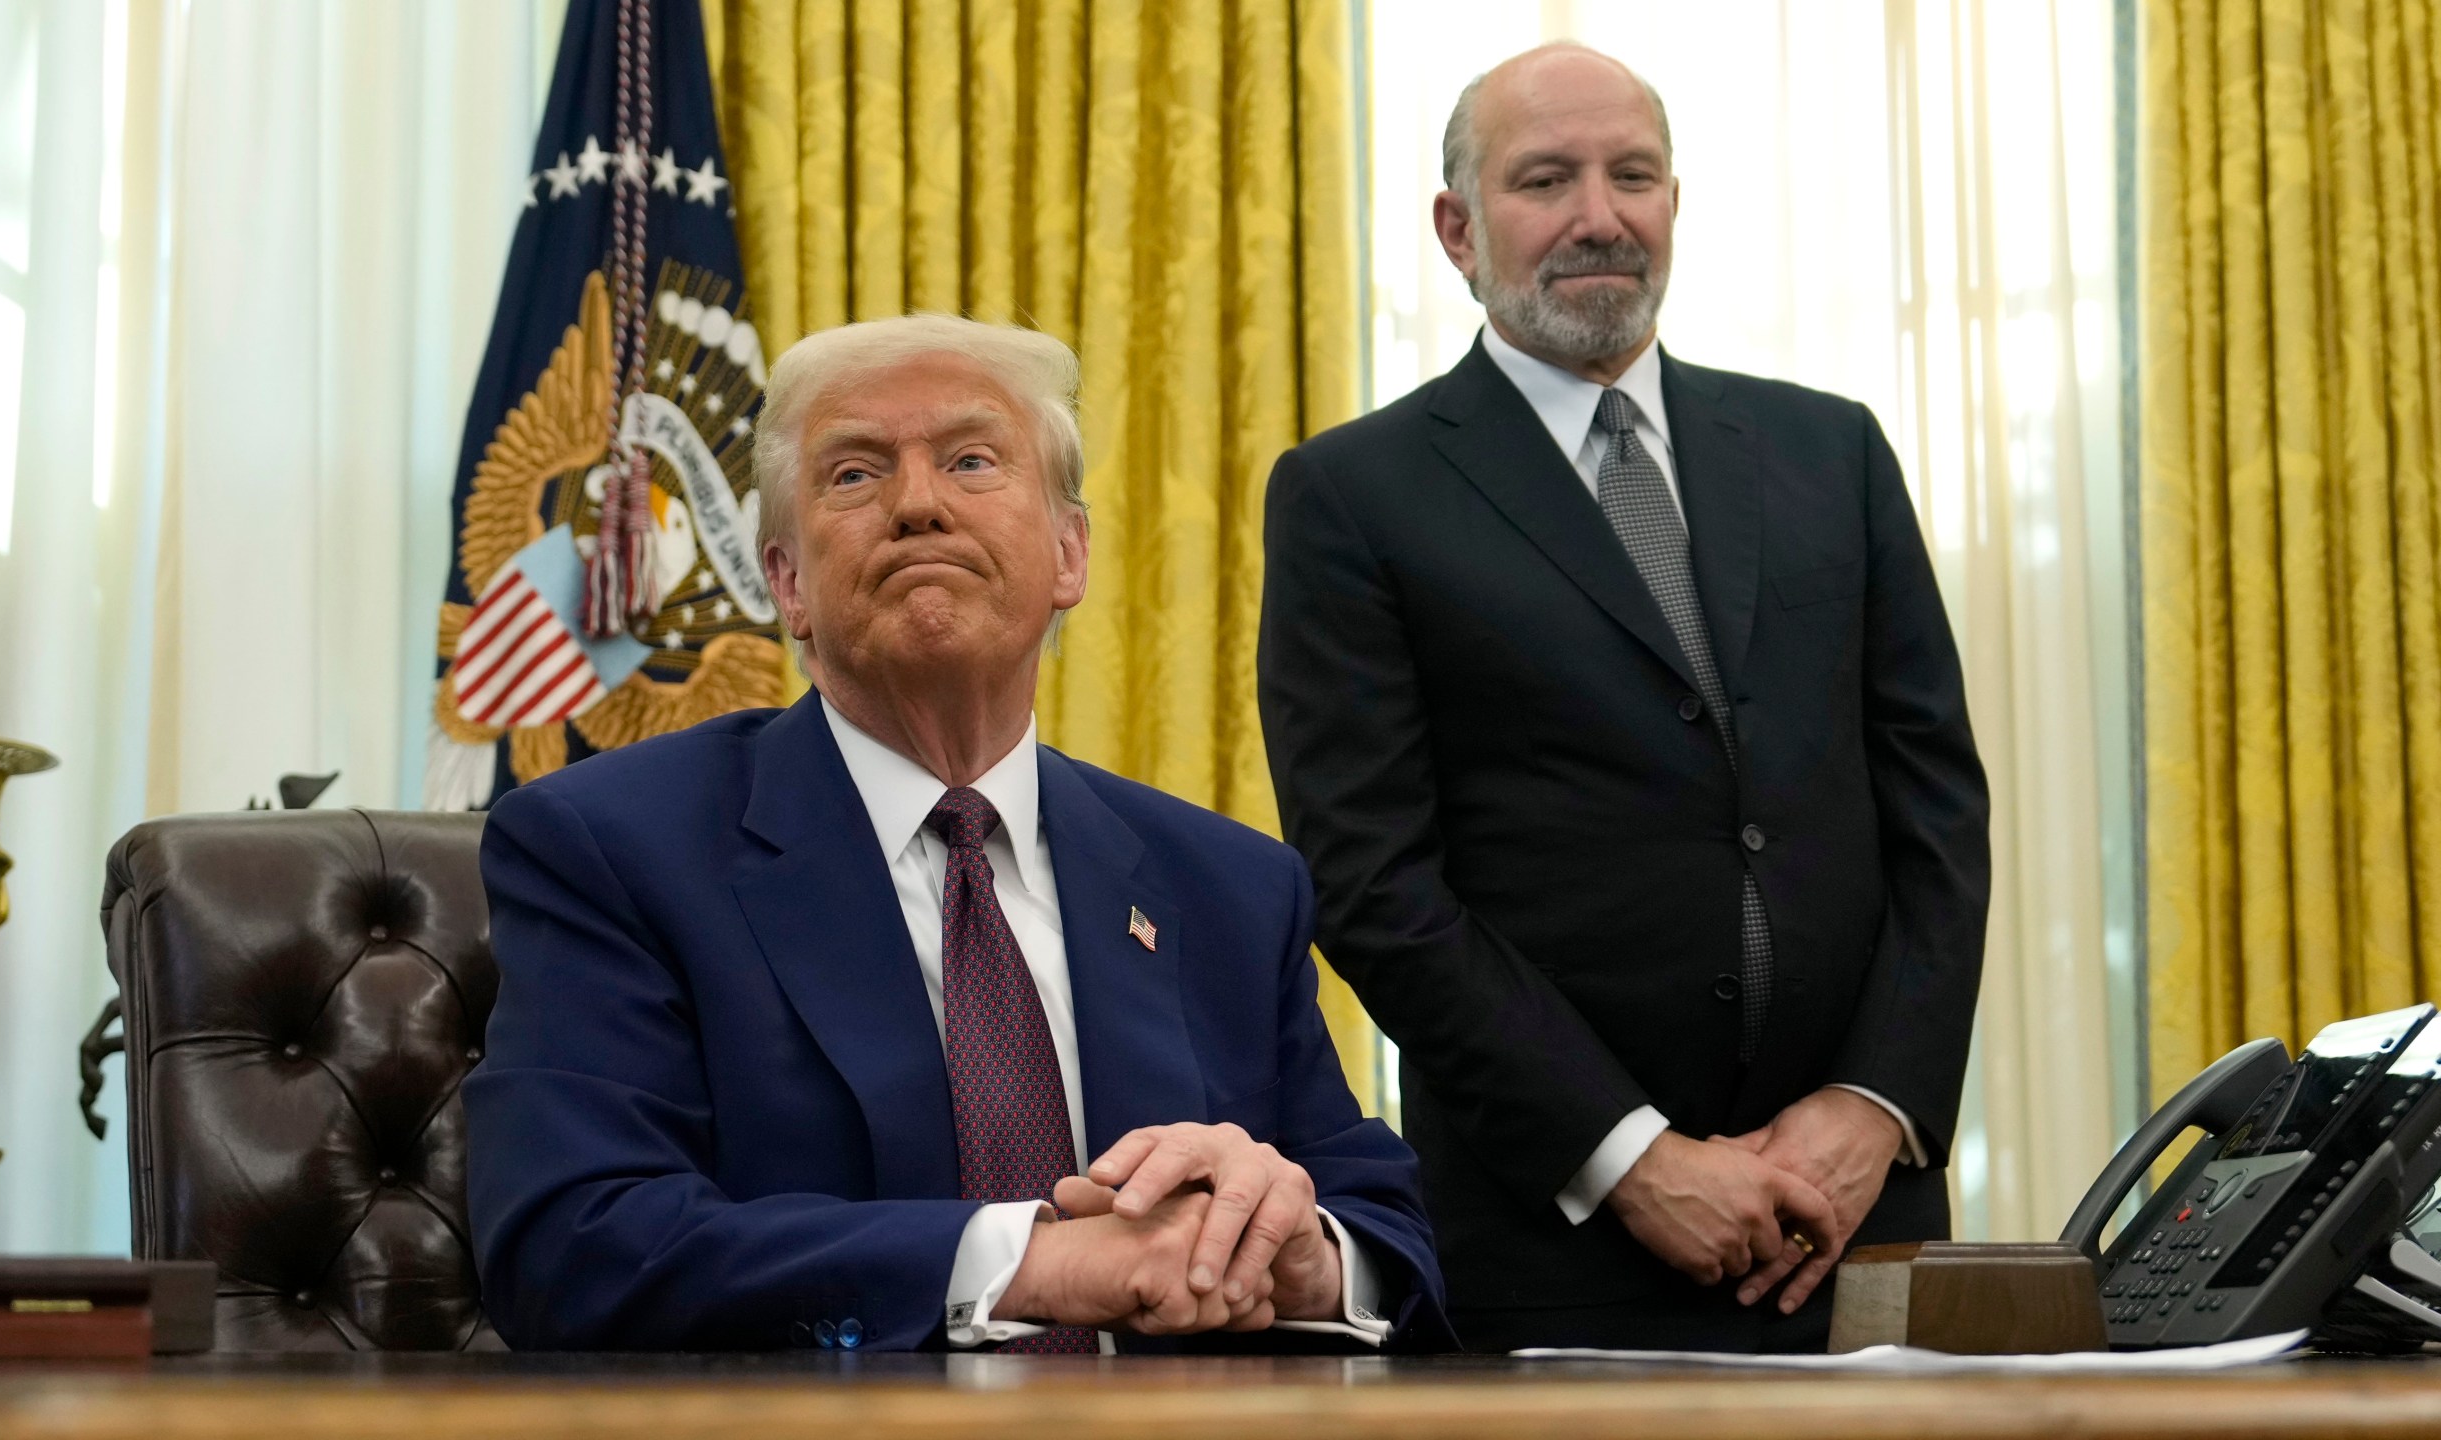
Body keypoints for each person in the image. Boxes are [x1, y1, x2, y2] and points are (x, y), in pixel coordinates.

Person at [467, 314, 1449, 1353]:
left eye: (972, 461)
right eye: (853, 475)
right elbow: (572, 1244)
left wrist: (1298, 1254)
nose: (919, 504)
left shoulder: (1228, 887)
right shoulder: (610, 847)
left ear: (1069, 554)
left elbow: (1395, 1241)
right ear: (787, 585)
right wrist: (1030, 1260)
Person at [1256, 42, 1989, 1352]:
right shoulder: (1353, 497)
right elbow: (1372, 880)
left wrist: (1877, 1103)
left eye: (1632, 175)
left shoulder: (1835, 452)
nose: (1601, 216)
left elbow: (1939, 820)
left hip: (1858, 1226)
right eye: (1546, 179)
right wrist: (1631, 1157)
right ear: (1458, 229)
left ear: (1672, 202)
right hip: (1559, 1241)